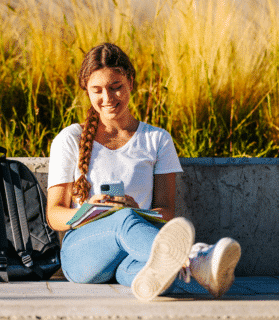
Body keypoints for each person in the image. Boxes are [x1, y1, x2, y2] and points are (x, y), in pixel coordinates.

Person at [46, 43, 241, 301]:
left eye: (116, 86)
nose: (108, 98)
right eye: (98, 90)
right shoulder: (70, 138)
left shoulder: (157, 139)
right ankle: (193, 260)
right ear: (87, 92)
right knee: (123, 219)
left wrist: (137, 209)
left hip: (135, 251)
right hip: (83, 254)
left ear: (131, 82)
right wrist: (89, 211)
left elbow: (166, 212)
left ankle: (188, 276)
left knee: (161, 275)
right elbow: (54, 215)